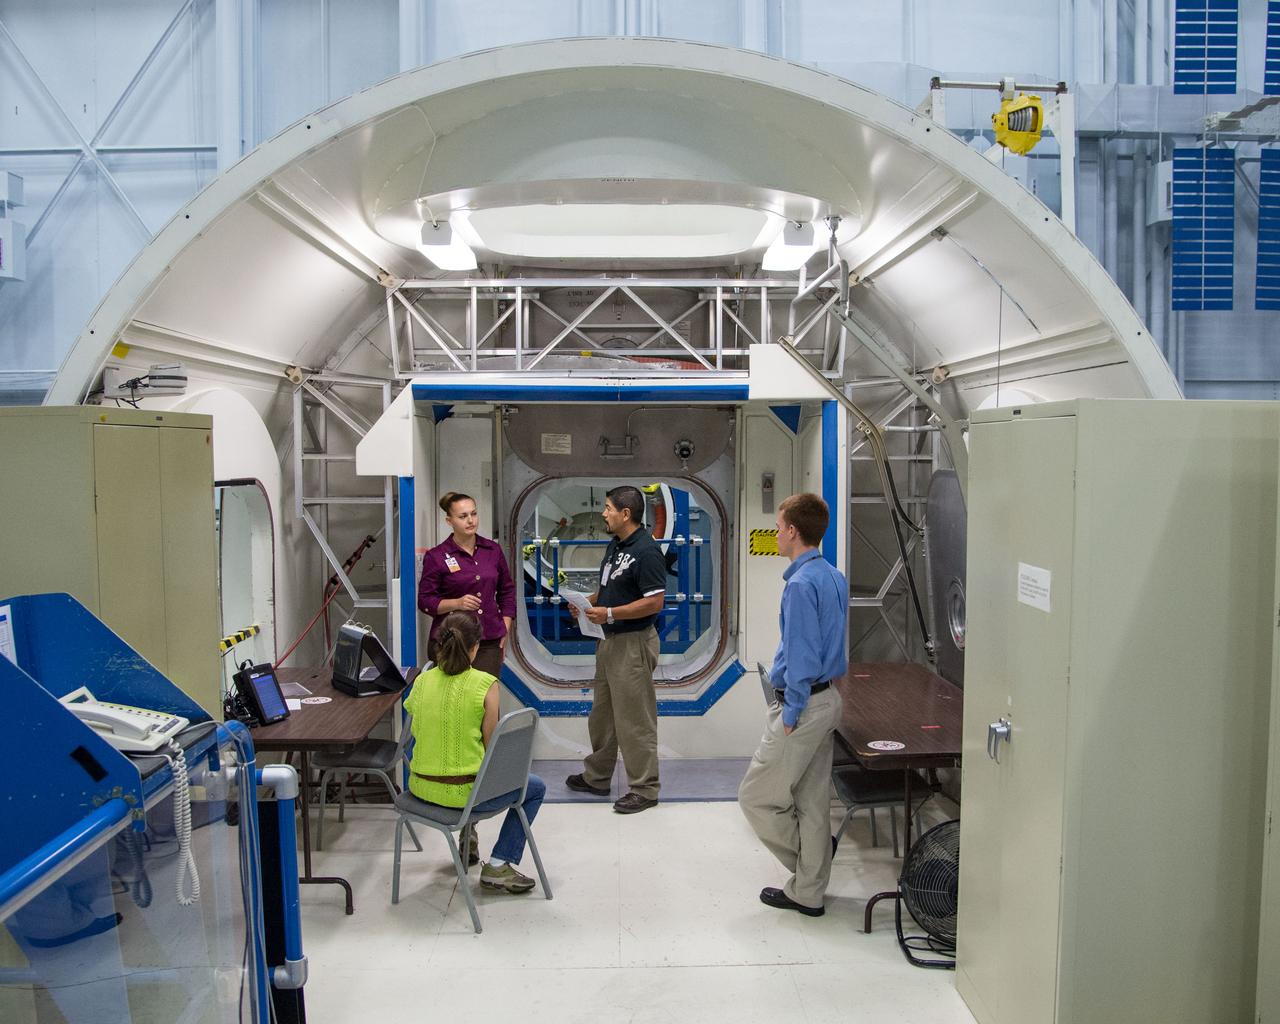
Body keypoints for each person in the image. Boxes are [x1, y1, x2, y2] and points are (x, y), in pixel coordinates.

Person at [738, 493, 848, 917]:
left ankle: (809, 870)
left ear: (793, 531)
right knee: (811, 801)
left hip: (803, 706)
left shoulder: (800, 585)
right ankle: (809, 891)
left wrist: (791, 711)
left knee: (756, 797)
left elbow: (802, 653)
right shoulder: (831, 575)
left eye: (779, 526)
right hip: (828, 698)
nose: (776, 533)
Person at [403, 610, 546, 894]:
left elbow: (417, 729)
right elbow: (492, 747)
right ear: (476, 647)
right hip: (463, 796)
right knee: (535, 787)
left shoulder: (421, 680)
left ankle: (470, 841)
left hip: (419, 788)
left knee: (473, 772)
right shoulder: (485, 684)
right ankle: (497, 864)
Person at [565, 485, 668, 814]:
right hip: (608, 642)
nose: (604, 513)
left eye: (608, 508)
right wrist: (588, 604)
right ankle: (597, 777)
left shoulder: (647, 551)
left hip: (633, 644)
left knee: (634, 718)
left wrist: (608, 614)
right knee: (604, 716)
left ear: (626, 514)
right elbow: (610, 589)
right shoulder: (616, 545)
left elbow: (654, 601)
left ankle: (645, 787)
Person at [417, 491, 516, 678]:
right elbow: (425, 601)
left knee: (484, 699)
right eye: (463, 516)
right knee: (452, 701)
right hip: (450, 642)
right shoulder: (437, 556)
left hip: (488, 641)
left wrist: (505, 627)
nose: (470, 520)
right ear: (449, 521)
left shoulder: (492, 550)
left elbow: (507, 591)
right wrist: (457, 603)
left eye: (474, 514)